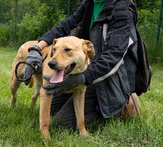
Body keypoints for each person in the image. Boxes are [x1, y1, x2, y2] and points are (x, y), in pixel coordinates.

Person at [24, 0, 141, 128]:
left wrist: (82, 78)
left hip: (110, 77)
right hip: (89, 70)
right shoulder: (90, 3)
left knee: (64, 122)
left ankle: (120, 103)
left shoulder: (122, 10)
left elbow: (114, 55)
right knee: (51, 108)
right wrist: (37, 48)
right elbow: (66, 25)